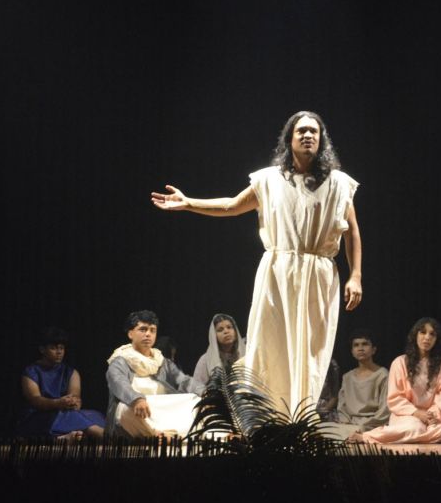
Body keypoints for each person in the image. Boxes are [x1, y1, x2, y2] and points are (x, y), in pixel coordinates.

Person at [150, 111, 363, 415]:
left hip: (319, 272)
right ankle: (267, 418)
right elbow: (231, 205)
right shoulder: (268, 179)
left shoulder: (339, 183)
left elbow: (353, 231)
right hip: (277, 271)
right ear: (289, 139)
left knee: (310, 351)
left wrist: (355, 275)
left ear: (322, 140)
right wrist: (189, 203)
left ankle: (298, 417)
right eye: (301, 131)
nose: (308, 136)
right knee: (271, 345)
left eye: (314, 132)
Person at [354, 318, 441, 444]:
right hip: (406, 416)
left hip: (432, 419)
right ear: (415, 335)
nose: (427, 337)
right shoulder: (400, 363)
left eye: (432, 334)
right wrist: (417, 413)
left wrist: (430, 417)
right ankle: (368, 437)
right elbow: (395, 398)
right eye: (423, 332)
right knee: (414, 428)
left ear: (437, 339)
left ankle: (413, 438)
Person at [106, 310, 206, 439]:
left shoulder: (161, 360)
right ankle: (156, 434)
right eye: (143, 329)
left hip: (160, 407)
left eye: (152, 330)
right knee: (124, 409)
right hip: (138, 407)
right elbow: (118, 382)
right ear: (130, 333)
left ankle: (191, 434)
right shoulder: (120, 359)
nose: (148, 334)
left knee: (196, 400)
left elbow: (183, 381)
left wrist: (205, 392)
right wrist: (136, 399)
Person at [17, 327, 106, 440]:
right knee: (69, 417)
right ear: (42, 349)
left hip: (65, 413)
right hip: (39, 416)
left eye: (61, 348)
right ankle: (102, 436)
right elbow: (35, 400)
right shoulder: (31, 372)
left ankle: (68, 436)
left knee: (94, 415)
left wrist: (73, 402)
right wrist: (57, 403)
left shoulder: (71, 372)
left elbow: (75, 398)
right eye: (53, 348)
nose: (59, 352)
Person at [321, 329, 389, 440]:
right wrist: (347, 424)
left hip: (374, 425)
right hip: (349, 425)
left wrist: (364, 427)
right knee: (322, 430)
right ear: (352, 351)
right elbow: (342, 408)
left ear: (374, 350)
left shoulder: (383, 375)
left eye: (365, 344)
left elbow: (385, 411)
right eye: (356, 345)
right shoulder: (347, 377)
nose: (360, 348)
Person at [193, 314, 245, 386]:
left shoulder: (246, 355)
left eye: (229, 327)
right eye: (220, 330)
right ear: (214, 336)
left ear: (236, 332)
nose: (226, 331)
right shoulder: (206, 360)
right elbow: (196, 386)